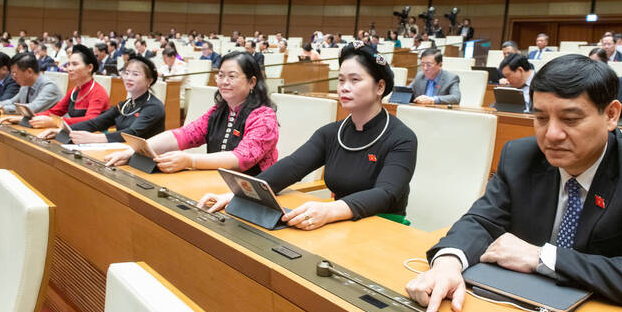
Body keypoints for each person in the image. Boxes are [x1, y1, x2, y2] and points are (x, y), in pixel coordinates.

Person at [406, 54, 622, 312]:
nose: (551, 135)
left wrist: (541, 257)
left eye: (570, 119)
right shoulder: (521, 156)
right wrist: (448, 264)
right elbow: (481, 221)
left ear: (611, 115)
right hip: (540, 307)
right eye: (541, 118)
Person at [198, 42, 417, 229]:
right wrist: (240, 194)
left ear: (379, 87)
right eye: (341, 80)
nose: (344, 88)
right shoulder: (332, 133)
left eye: (355, 80)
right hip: (340, 224)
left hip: (383, 227)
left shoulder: (401, 138)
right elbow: (292, 166)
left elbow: (387, 193)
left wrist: (330, 210)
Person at [105, 52, 279, 174]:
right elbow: (184, 135)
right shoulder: (217, 112)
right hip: (214, 182)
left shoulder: (264, 117)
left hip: (251, 193)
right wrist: (134, 150)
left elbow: (241, 158)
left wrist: (191, 161)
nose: (224, 82)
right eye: (220, 75)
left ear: (252, 82)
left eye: (232, 76)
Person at [40, 56, 165, 144]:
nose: (128, 78)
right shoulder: (125, 105)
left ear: (149, 80)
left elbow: (132, 133)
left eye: (135, 74)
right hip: (122, 153)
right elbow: (96, 123)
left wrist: (94, 138)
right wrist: (63, 130)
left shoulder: (154, 107)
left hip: (146, 160)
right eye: (126, 73)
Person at [30, 45, 110, 127]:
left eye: (74, 64)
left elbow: (90, 120)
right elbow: (55, 111)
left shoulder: (98, 92)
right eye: (69, 64)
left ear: (89, 68)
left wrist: (56, 121)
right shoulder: (74, 91)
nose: (69, 68)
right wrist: (31, 117)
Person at [0, 52, 63, 118]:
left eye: (15, 73)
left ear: (29, 72)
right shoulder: (26, 85)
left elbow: (32, 109)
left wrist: (2, 107)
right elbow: (12, 101)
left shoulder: (49, 87)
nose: (13, 77)